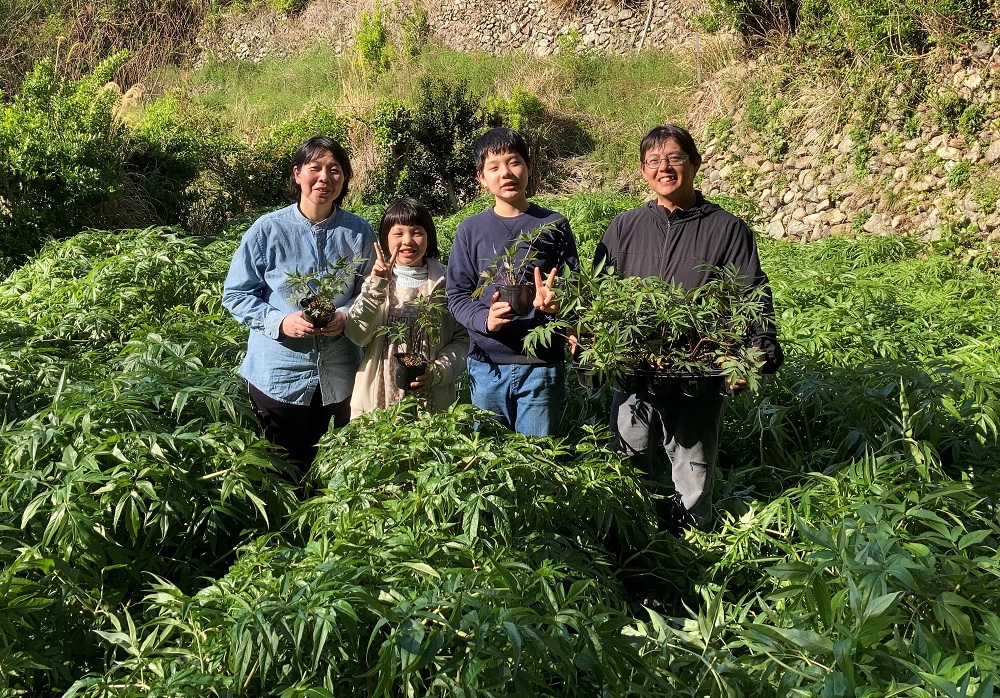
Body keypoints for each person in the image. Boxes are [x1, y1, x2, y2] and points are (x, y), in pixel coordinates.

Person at [595, 124, 783, 534]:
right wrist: (582, 338)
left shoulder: (726, 229)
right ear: (643, 171)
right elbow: (597, 298)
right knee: (625, 466)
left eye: (675, 158)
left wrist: (754, 354)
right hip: (635, 376)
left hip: (697, 378)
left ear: (695, 163)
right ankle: (632, 543)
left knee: (693, 477)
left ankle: (694, 549)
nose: (664, 168)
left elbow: (751, 294)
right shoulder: (624, 227)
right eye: (653, 161)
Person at [222, 134, 375, 477]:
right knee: (281, 474)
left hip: (339, 373)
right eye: (315, 168)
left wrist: (346, 313)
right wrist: (279, 322)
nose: (325, 177)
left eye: (335, 170)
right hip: (278, 375)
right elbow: (235, 294)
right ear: (297, 174)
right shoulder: (267, 230)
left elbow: (371, 290)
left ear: (345, 178)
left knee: (330, 471)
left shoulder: (358, 231)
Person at [446, 127, 578, 437]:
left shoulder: (553, 224)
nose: (506, 173)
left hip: (541, 364)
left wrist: (557, 302)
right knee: (491, 463)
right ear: (481, 178)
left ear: (529, 167)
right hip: (487, 365)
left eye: (514, 162)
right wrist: (485, 319)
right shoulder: (470, 230)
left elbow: (574, 285)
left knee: (537, 461)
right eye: (494, 167)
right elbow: (457, 294)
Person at [346, 198, 468, 416]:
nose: (408, 241)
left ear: (429, 237)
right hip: (378, 394)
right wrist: (376, 285)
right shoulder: (375, 282)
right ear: (385, 239)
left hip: (430, 395)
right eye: (398, 233)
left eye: (417, 232)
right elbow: (357, 335)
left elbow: (462, 339)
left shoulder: (447, 282)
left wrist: (438, 371)